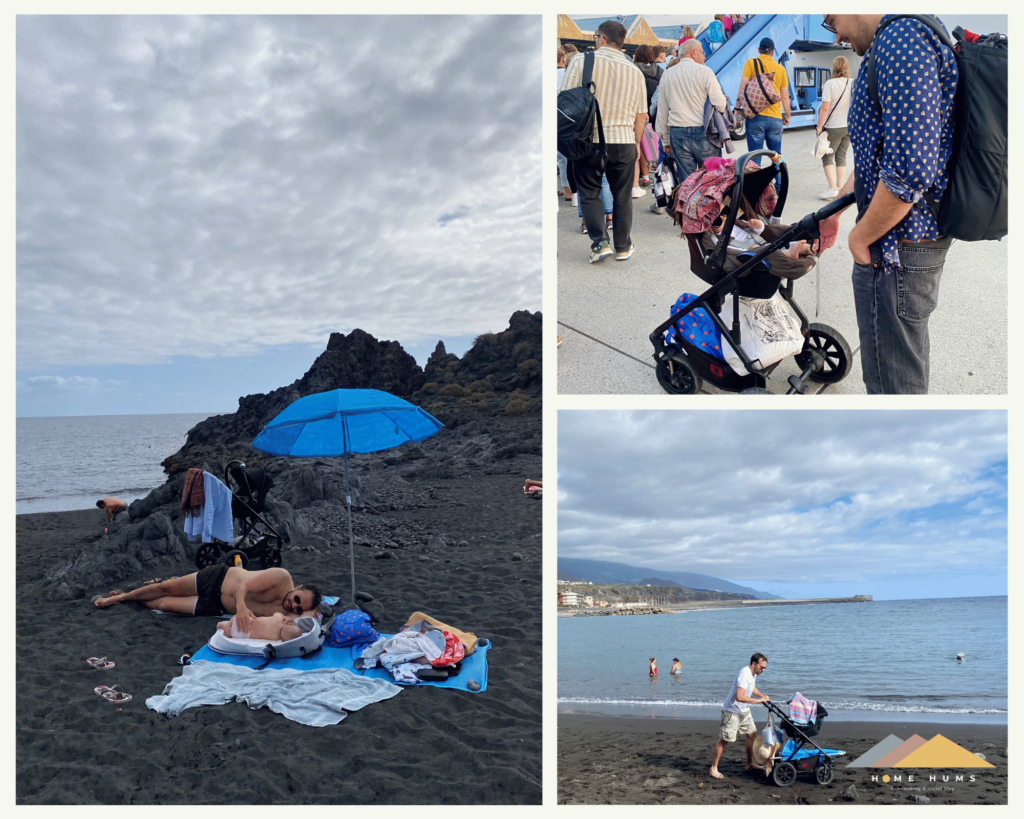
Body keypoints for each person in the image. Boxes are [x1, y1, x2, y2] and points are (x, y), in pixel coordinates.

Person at [819, 14, 958, 394]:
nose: (838, 34)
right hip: (903, 243)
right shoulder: (896, 39)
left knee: (891, 385)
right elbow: (874, 157)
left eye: (832, 21)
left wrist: (859, 239)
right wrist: (836, 212)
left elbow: (910, 171)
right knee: (898, 366)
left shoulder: (900, 40)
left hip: (895, 249)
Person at [559, 20, 647, 263]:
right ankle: (623, 246)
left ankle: (599, 244)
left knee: (589, 192)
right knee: (622, 195)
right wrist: (637, 144)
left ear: (600, 38)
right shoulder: (635, 71)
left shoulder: (580, 61)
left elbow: (563, 101)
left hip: (589, 141)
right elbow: (641, 115)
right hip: (624, 141)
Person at [94, 565, 322, 631]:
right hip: (217, 579)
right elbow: (242, 587)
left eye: (299, 608)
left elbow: (317, 617)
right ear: (297, 587)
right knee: (165, 588)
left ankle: (128, 597)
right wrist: (241, 609)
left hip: (214, 604)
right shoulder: (282, 578)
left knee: (164, 605)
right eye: (297, 599)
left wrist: (308, 611)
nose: (294, 605)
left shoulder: (291, 613)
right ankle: (116, 599)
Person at [656, 39, 727, 184]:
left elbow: (662, 111)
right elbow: (720, 104)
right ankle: (709, 206)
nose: (704, 56)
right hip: (703, 133)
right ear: (693, 52)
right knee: (712, 178)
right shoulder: (705, 72)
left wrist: (665, 140)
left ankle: (690, 206)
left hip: (678, 134)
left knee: (687, 182)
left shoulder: (667, 75)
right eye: (702, 52)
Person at [710, 653, 770, 779]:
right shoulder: (745, 673)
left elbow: (751, 687)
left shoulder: (753, 674)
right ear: (754, 664)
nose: (763, 670)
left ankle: (750, 764)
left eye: (764, 668)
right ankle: (713, 768)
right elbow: (739, 697)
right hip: (732, 712)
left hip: (744, 711)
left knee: (751, 733)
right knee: (725, 739)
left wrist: (761, 696)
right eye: (761, 667)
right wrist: (758, 701)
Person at [736, 38, 791, 165]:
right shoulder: (781, 69)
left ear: (759, 50)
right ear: (772, 52)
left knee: (755, 157)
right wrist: (788, 115)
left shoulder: (751, 63)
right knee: (777, 156)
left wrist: (737, 109)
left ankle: (758, 185)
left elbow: (742, 88)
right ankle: (779, 184)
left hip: (755, 116)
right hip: (775, 118)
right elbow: (784, 96)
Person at [815, 55, 853, 199]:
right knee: (841, 156)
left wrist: (819, 127)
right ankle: (839, 188)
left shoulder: (830, 83)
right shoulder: (852, 82)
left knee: (827, 156)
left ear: (835, 67)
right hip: (848, 126)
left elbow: (825, 108)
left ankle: (832, 188)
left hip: (833, 127)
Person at [633, 44, 664, 194]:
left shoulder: (633, 70)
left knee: (641, 142)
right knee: (656, 140)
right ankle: (658, 170)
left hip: (639, 111)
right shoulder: (659, 70)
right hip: (656, 112)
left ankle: (644, 177)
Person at [216, 611, 307, 642]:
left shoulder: (278, 619)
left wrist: (284, 617)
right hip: (245, 632)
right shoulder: (275, 638)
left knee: (234, 620)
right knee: (230, 633)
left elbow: (277, 613)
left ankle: (226, 624)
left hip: (247, 620)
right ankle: (223, 626)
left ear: (289, 624)